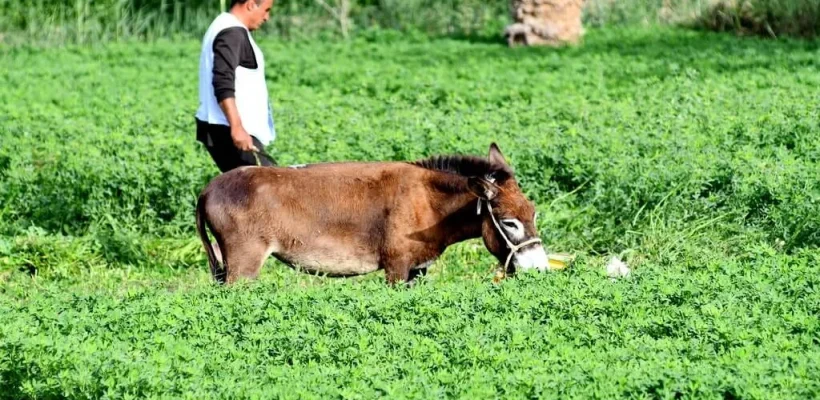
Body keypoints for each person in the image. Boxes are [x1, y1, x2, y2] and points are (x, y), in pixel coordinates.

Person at [195, 0, 278, 172]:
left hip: (224, 127)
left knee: (258, 185)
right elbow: (223, 82)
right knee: (273, 182)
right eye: (266, 10)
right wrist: (237, 127)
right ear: (250, 4)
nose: (267, 17)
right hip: (229, 129)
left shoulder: (225, 26)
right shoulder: (232, 32)